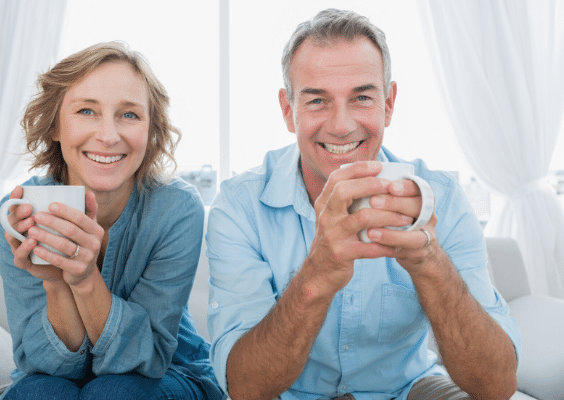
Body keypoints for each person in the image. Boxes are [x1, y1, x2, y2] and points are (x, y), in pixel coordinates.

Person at [206, 9, 521, 400]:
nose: (340, 125)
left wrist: (429, 264)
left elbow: (496, 386)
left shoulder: (442, 199)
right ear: (289, 110)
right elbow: (245, 388)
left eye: (362, 97)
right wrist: (317, 274)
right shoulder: (239, 207)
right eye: (318, 100)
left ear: (388, 104)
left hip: (408, 389)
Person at [0, 42, 223, 400]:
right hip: (53, 377)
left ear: (151, 131)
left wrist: (84, 280)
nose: (109, 135)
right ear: (55, 125)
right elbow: (47, 365)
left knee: (113, 391)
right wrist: (55, 284)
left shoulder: (176, 208)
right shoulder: (16, 214)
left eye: (129, 115)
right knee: (38, 393)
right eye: (87, 110)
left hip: (170, 371)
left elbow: (148, 359)